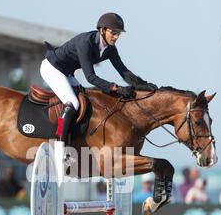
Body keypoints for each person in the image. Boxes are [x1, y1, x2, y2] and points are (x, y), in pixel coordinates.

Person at [40, 12, 158, 143]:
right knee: (72, 103)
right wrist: (115, 89)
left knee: (86, 99)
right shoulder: (85, 42)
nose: (116, 37)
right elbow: (90, 77)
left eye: (119, 33)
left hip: (67, 73)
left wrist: (142, 84)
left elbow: (123, 71)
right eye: (113, 32)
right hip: (52, 68)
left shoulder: (110, 49)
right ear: (102, 30)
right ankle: (59, 141)